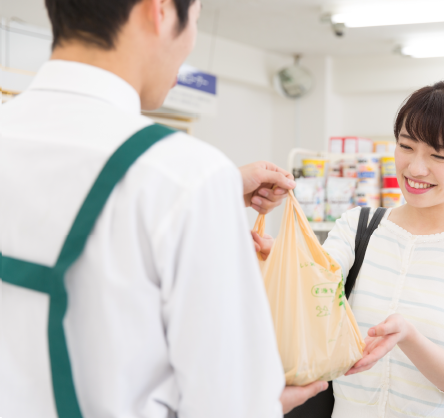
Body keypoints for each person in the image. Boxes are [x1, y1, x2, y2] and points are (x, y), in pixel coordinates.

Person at [0, 0, 326, 417]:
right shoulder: (187, 175)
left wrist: (214, 193)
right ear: (161, 11)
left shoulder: (186, 180)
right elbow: (229, 403)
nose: (191, 44)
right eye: (197, 20)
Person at [253, 80, 444, 417]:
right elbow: (313, 290)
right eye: (406, 146)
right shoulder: (358, 226)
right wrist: (277, 258)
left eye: (438, 155)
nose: (415, 168)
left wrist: (409, 338)